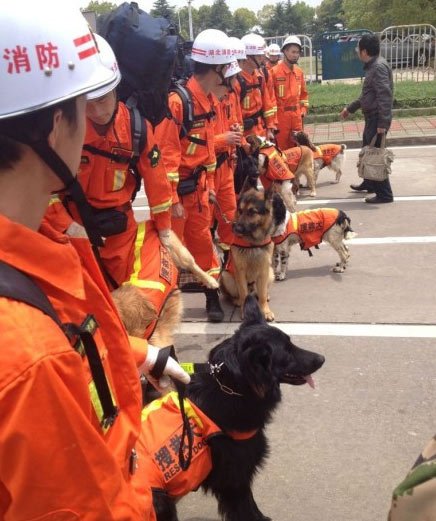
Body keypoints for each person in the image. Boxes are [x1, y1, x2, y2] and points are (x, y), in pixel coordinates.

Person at [0, 3, 189, 519]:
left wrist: (143, 355)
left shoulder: (33, 248)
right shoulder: (28, 355)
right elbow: (89, 506)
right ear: (57, 125)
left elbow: (70, 336)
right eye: (86, 104)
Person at [46, 34, 173, 287]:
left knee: (133, 297)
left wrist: (165, 228)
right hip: (74, 227)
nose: (96, 112)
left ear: (115, 89)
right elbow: (43, 186)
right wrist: (67, 226)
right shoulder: (62, 132)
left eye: (102, 100)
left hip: (121, 230)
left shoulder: (137, 129)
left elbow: (157, 183)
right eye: (86, 104)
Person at [154, 29, 235, 322]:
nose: (227, 74)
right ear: (215, 69)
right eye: (225, 68)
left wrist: (211, 185)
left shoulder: (209, 102)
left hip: (200, 191)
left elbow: (209, 149)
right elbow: (166, 156)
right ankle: (166, 305)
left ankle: (211, 295)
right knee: (171, 252)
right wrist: (172, 197)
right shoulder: (179, 102)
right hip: (177, 196)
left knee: (202, 243)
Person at [341, 33, 394, 204]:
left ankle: (385, 194)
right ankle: (369, 183)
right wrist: (350, 108)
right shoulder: (374, 66)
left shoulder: (377, 67)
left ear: (364, 51)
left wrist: (382, 124)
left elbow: (384, 96)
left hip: (377, 119)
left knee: (375, 155)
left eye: (358, 49)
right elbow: (367, 95)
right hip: (372, 117)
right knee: (367, 152)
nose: (357, 52)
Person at [212, 58, 244, 254]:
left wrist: (233, 139)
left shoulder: (225, 98)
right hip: (208, 169)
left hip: (225, 166)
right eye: (232, 79)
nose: (235, 86)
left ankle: (228, 251)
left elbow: (229, 125)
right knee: (205, 221)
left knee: (229, 213)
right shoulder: (205, 102)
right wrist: (225, 139)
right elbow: (193, 144)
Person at [236, 33, 277, 141]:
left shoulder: (260, 76)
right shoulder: (236, 81)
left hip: (261, 130)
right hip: (246, 135)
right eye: (259, 56)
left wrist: (270, 127)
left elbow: (267, 104)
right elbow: (234, 116)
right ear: (247, 57)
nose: (262, 58)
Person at [270, 35, 309, 150]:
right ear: (285, 51)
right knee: (282, 149)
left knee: (299, 148)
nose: (295, 55)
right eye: (293, 52)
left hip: (297, 117)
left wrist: (303, 110)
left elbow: (304, 95)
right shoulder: (274, 72)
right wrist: (271, 122)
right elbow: (269, 99)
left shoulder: (299, 72)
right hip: (281, 118)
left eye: (297, 52)